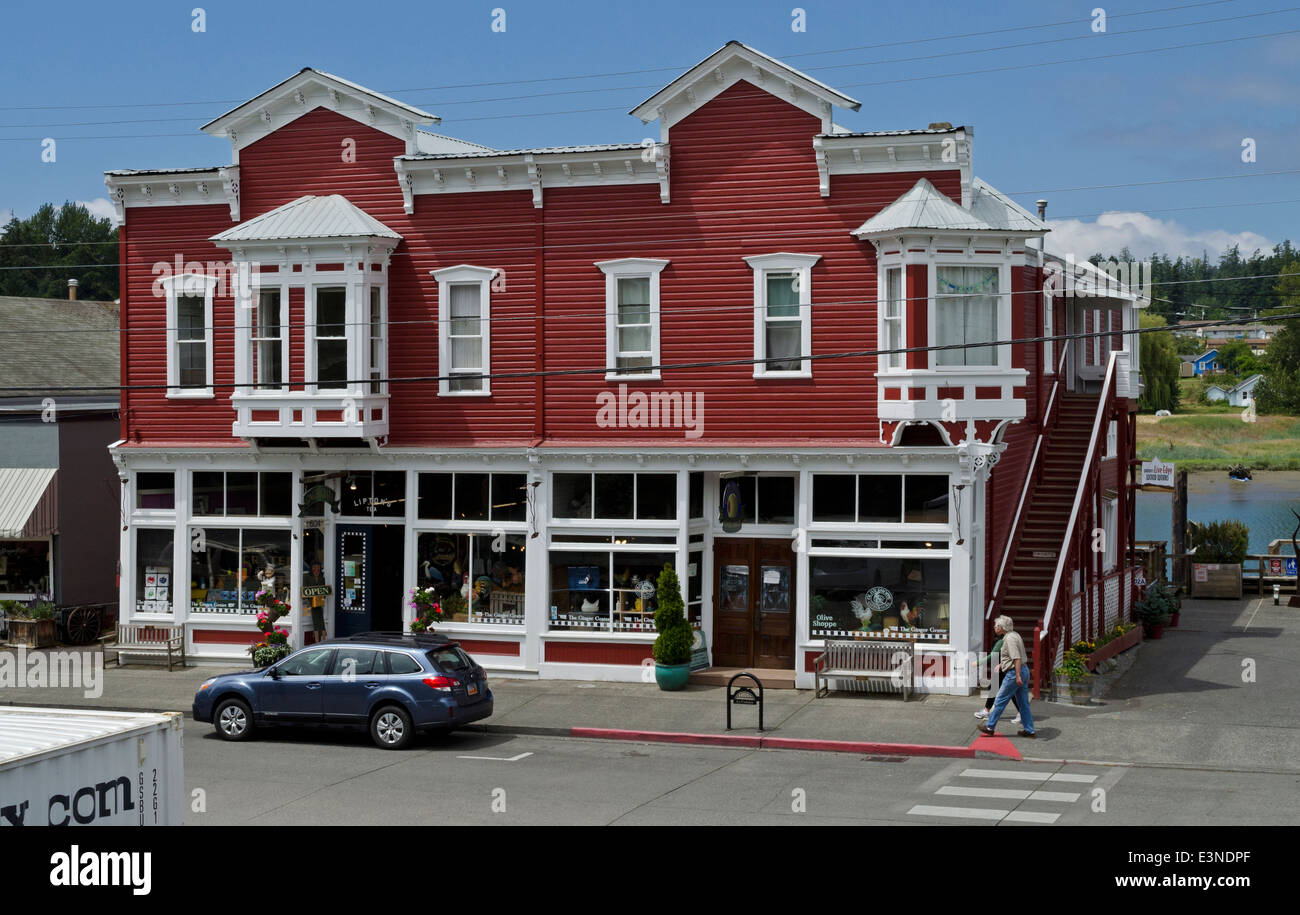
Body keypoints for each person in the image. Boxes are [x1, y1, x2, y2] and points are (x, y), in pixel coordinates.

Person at [977, 615, 1036, 738]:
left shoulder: (1008, 639)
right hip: (1023, 670)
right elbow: (1012, 656)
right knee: (1023, 703)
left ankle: (989, 727)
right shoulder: (1015, 635)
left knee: (1000, 700)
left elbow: (1016, 657)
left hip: (1014, 673)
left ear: (1002, 627)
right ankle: (1029, 730)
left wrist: (1018, 675)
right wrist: (1002, 664)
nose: (994, 627)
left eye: (996, 625)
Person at [974, 631, 1022, 725]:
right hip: (1003, 667)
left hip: (1005, 668)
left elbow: (993, 654)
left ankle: (987, 712)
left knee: (1006, 691)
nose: (995, 627)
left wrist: (979, 662)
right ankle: (986, 711)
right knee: (997, 689)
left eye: (997, 626)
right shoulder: (1006, 638)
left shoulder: (1003, 640)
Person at [303, 561, 328, 644]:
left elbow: (324, 590)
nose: (316, 571)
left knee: (320, 620)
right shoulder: (307, 577)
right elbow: (305, 590)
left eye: (318, 569)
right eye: (314, 569)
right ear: (311, 569)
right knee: (316, 621)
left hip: (319, 602)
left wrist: (322, 597)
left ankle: (323, 639)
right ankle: (317, 641)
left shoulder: (322, 578)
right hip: (311, 603)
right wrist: (310, 600)